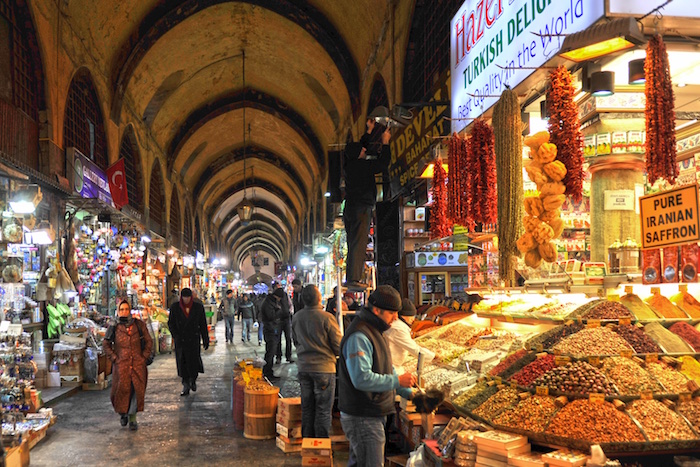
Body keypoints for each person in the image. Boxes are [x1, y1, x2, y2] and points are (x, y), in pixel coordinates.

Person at [338, 285, 416, 466]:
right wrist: (397, 380)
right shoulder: (360, 335)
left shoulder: (376, 330)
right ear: (376, 310)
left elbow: (385, 368)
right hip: (362, 415)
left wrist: (407, 392)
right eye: (391, 313)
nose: (396, 318)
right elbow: (361, 378)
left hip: (370, 412)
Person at [343, 112, 392, 289]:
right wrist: (385, 141)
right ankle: (353, 280)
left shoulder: (351, 165)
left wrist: (369, 131)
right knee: (358, 243)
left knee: (355, 243)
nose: (365, 150)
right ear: (358, 155)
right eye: (362, 151)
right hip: (360, 208)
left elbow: (360, 148)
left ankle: (352, 278)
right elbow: (382, 163)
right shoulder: (360, 166)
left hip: (351, 208)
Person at [291, 285, 342, 438]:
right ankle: (320, 446)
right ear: (319, 298)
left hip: (304, 367)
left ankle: (307, 444)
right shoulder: (327, 318)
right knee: (323, 409)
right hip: (324, 369)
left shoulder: (297, 317)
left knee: (307, 407)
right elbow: (338, 345)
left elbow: (295, 341)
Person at [104, 299, 153, 431]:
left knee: (136, 391)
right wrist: (115, 358)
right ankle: (123, 413)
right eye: (122, 310)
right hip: (121, 366)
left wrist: (143, 357)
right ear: (118, 312)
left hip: (138, 365)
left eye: (126, 309)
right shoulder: (114, 327)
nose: (124, 312)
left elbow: (149, 341)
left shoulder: (139, 325)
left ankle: (132, 419)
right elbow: (106, 344)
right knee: (120, 391)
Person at [168, 288, 209, 396]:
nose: (186, 299)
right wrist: (175, 335)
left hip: (193, 339)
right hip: (181, 340)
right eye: (184, 297)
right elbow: (171, 323)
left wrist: (205, 339)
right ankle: (185, 385)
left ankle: (193, 380)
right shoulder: (175, 308)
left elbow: (203, 324)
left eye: (188, 297)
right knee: (182, 363)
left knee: (194, 361)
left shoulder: (198, 307)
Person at [384, 298, 436, 375]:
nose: (413, 319)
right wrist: (434, 356)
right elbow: (415, 350)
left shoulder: (399, 325)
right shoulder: (398, 328)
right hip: (391, 367)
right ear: (403, 316)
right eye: (411, 316)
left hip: (393, 364)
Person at [259, 288, 288, 381]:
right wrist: (279, 310)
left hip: (273, 329)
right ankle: (267, 372)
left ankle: (268, 371)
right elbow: (270, 316)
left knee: (271, 350)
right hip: (270, 329)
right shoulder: (268, 303)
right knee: (270, 351)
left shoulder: (272, 302)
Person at [274, 284, 294, 364]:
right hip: (278, 321)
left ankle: (288, 356)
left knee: (288, 338)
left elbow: (290, 305)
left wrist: (290, 312)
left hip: (287, 319)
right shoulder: (274, 298)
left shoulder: (286, 296)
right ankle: (278, 356)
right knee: (277, 339)